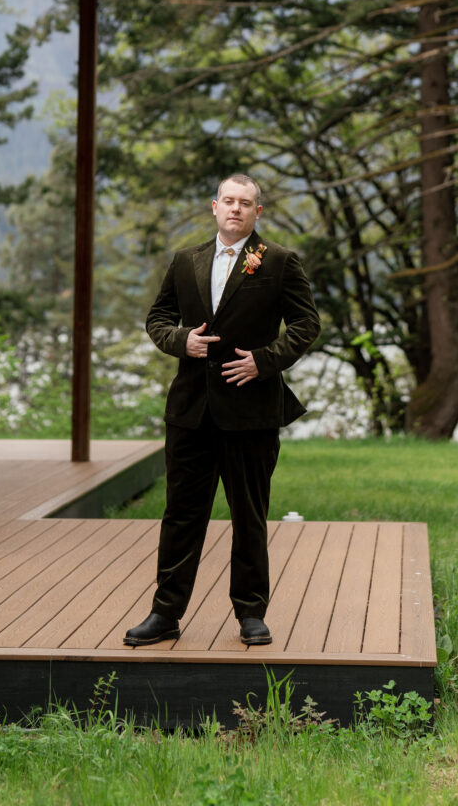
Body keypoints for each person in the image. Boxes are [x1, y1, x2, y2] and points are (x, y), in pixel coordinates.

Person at [124, 174, 321, 647]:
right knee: (181, 515)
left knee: (248, 514)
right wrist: (181, 341)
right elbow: (157, 318)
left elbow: (306, 323)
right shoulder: (185, 260)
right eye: (228, 201)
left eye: (245, 203)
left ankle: (251, 613)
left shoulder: (277, 262)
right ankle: (165, 613)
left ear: (257, 212)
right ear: (214, 207)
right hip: (190, 412)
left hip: (251, 413)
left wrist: (263, 361)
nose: (235, 209)